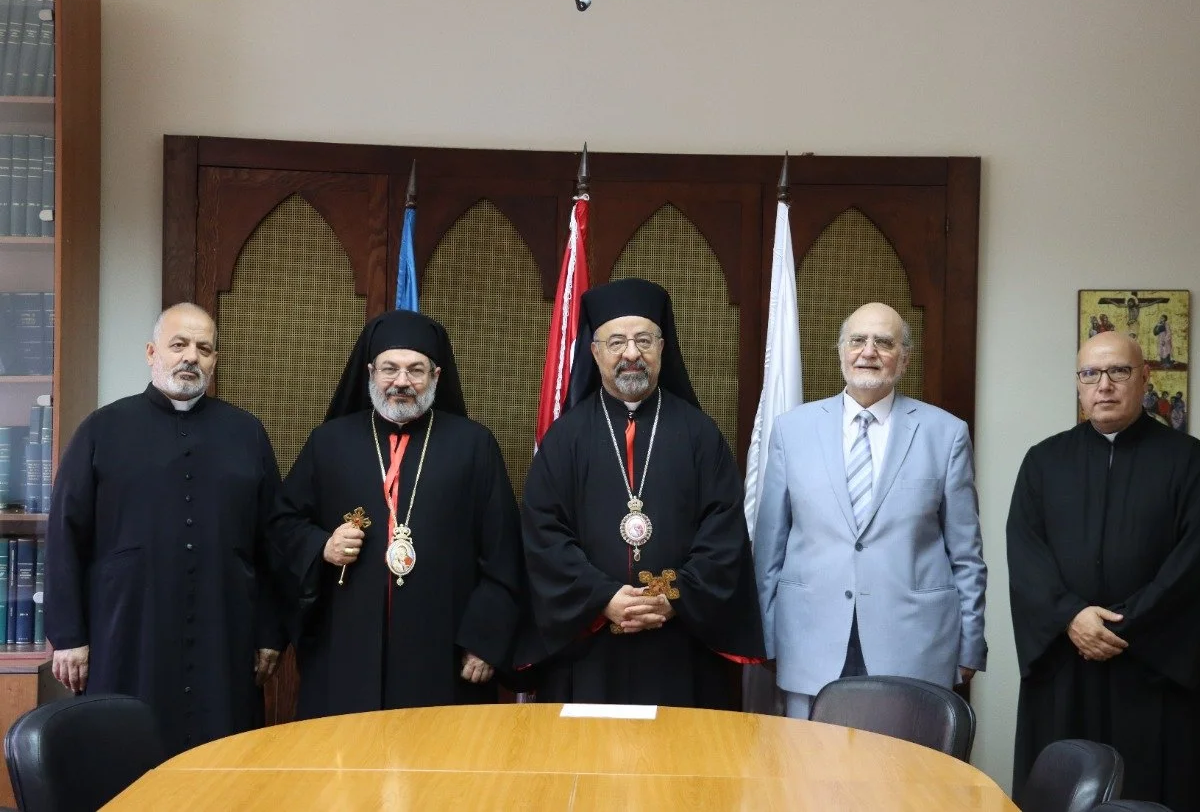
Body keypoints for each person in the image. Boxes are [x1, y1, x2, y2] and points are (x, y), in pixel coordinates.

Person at [45, 303, 285, 755]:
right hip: (127, 630)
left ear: (214, 360)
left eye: (204, 348)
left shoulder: (247, 434)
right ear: (152, 352)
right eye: (179, 345)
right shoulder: (102, 429)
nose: (191, 356)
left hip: (225, 628)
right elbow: (64, 536)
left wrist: (271, 633)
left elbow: (272, 541)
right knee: (122, 755)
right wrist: (69, 636)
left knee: (224, 761)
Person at [1007, 331, 1200, 810]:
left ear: (1145, 377)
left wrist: (1123, 625)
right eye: (1090, 374)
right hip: (1065, 662)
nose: (1103, 385)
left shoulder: (1190, 462)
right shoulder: (1043, 462)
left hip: (1153, 670)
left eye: (1118, 372)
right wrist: (1071, 617)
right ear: (1078, 384)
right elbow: (1026, 555)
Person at [520, 278, 764, 708]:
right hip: (589, 648)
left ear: (662, 348)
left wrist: (674, 596)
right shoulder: (564, 439)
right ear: (594, 352)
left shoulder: (699, 435)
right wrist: (602, 598)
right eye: (616, 341)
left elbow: (723, 533)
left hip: (680, 646)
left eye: (643, 340)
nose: (631, 353)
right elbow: (544, 535)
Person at [267, 310, 522, 718]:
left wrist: (484, 639)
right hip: (347, 646)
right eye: (390, 368)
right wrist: (323, 546)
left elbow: (503, 552)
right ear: (371, 372)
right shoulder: (329, 442)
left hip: (444, 652)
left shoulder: (474, 446)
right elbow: (282, 525)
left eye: (415, 370)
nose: (401, 382)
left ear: (436, 375)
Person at [754, 303, 987, 719]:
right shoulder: (793, 430)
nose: (869, 352)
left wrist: (970, 644)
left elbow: (966, 556)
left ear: (905, 357)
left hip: (914, 645)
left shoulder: (946, 434)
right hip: (811, 641)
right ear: (841, 350)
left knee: (902, 778)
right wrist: (767, 636)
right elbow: (769, 549)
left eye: (884, 342)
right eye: (857, 340)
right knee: (810, 775)